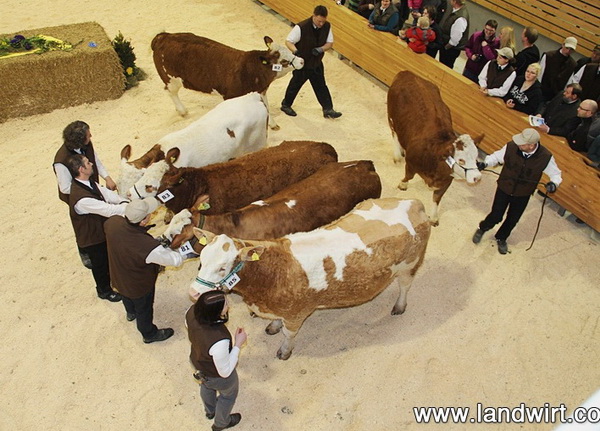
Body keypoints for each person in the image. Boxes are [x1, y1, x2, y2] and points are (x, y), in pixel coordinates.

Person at [104, 197, 189, 343]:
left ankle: (130, 313)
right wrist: (187, 251)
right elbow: (175, 260)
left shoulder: (112, 223)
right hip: (139, 285)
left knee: (126, 296)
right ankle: (148, 334)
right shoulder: (147, 246)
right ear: (143, 221)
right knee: (144, 308)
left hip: (118, 274)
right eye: (149, 213)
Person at [472, 128, 562, 254]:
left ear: (531, 145)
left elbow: (556, 174)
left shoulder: (545, 157)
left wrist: (554, 183)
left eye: (522, 143)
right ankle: (483, 228)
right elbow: (497, 157)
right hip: (504, 187)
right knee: (496, 215)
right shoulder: (511, 146)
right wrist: (485, 163)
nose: (518, 144)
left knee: (513, 219)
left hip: (523, 194)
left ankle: (501, 237)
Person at [54, 120, 117, 268]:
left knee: (99, 218)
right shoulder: (61, 161)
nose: (91, 136)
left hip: (92, 188)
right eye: (89, 135)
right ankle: (84, 250)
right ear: (79, 140)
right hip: (78, 197)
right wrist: (86, 191)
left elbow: (96, 161)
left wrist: (107, 177)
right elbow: (64, 187)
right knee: (84, 225)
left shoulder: (86, 145)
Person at [66, 154, 127, 302]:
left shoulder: (88, 182)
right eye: (88, 162)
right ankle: (104, 291)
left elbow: (107, 194)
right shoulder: (81, 198)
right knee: (100, 264)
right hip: (91, 238)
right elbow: (108, 210)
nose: (92, 163)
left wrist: (124, 201)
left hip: (99, 230)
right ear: (81, 169)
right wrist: (130, 208)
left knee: (107, 259)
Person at [186, 290, 247, 431]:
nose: (229, 305)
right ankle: (221, 423)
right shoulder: (219, 340)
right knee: (228, 395)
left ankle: (210, 410)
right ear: (215, 313)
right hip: (217, 376)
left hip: (197, 362)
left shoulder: (191, 311)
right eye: (225, 304)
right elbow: (225, 371)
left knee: (205, 386)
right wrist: (238, 344)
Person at [280, 5, 342, 119]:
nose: (321, 24)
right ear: (314, 16)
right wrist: (295, 51)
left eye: (323, 21)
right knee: (295, 84)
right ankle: (286, 105)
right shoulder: (301, 27)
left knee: (321, 86)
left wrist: (321, 49)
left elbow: (329, 43)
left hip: (316, 62)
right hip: (302, 63)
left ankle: (328, 109)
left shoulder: (327, 26)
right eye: (319, 21)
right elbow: (288, 41)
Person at [538, 37, 578, 102]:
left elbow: (568, 83)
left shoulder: (573, 64)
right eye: (567, 48)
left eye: (571, 49)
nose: (568, 51)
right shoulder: (548, 56)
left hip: (556, 97)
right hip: (541, 91)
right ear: (563, 44)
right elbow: (539, 74)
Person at [438, 0, 469, 70]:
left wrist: (445, 47)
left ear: (455, 1)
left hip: (450, 49)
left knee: (445, 69)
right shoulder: (456, 11)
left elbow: (455, 39)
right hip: (447, 46)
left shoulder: (461, 18)